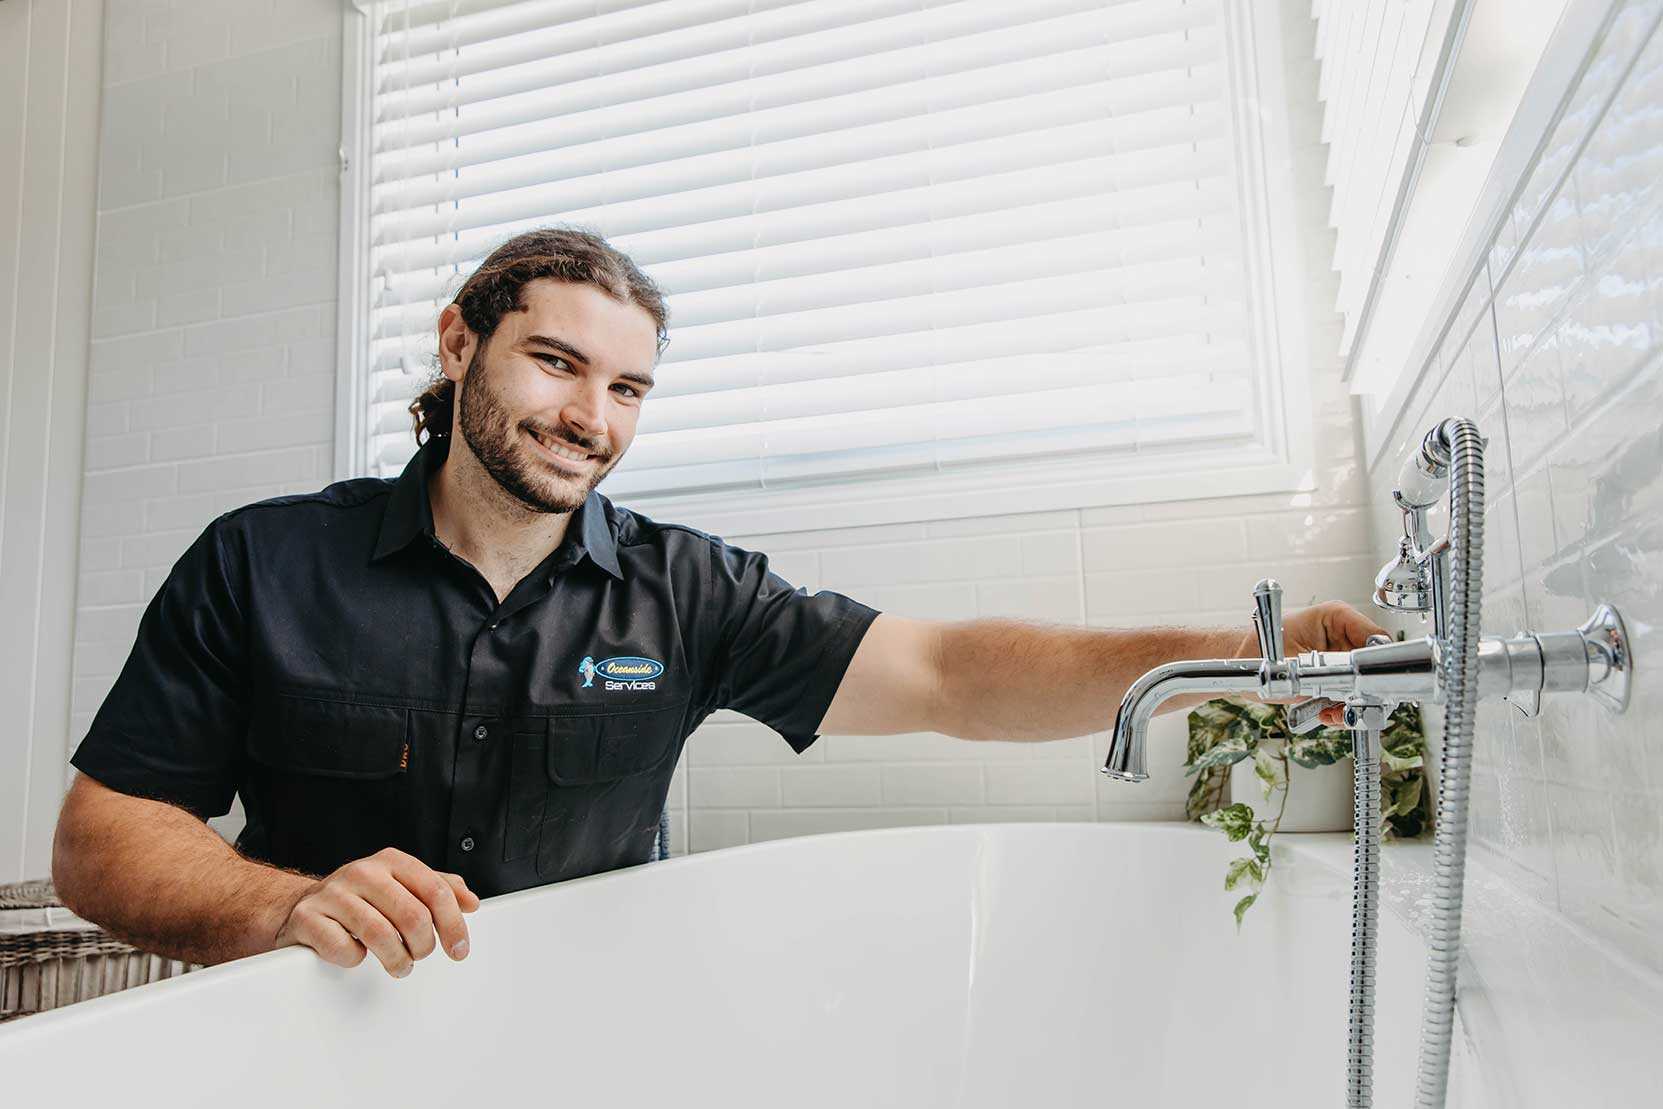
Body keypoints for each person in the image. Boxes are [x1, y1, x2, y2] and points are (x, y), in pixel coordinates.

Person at [51, 228, 1386, 981]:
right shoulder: (259, 563)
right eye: (556, 363)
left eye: (628, 389)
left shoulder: (688, 592)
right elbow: (103, 837)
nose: (591, 418)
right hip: (313, 1045)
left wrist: (1242, 655)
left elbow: (953, 676)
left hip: (599, 1044)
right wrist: (283, 904)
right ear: (460, 342)